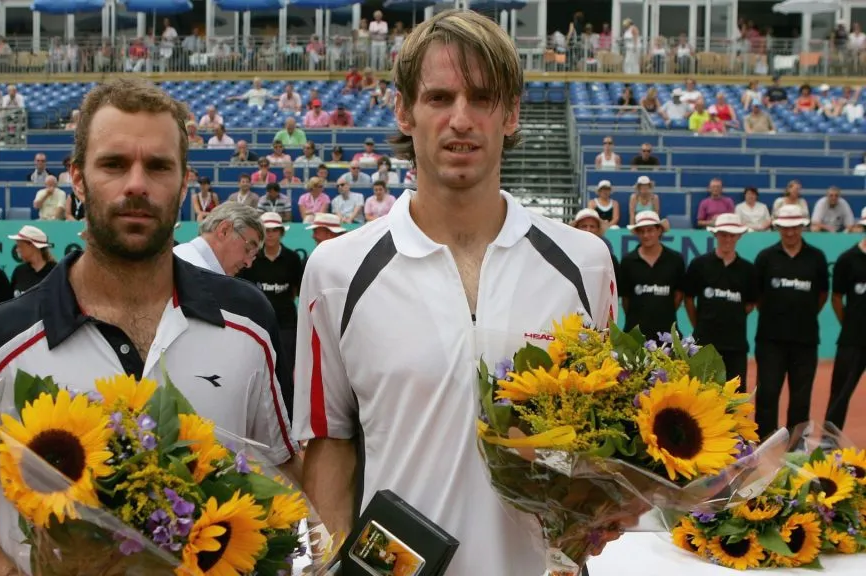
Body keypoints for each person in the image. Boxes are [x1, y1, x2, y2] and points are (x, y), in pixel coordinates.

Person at [0, 78, 298, 576]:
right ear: (76, 178)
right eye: (113, 164)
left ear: (184, 185)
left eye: (158, 166)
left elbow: (284, 468)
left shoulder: (250, 323)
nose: (136, 184)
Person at [292, 12, 618, 576]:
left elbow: (605, 441)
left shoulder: (583, 264)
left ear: (511, 114)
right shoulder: (337, 270)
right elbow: (330, 445)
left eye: (483, 98)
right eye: (439, 97)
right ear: (404, 111)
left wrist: (611, 504)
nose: (460, 120)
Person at [753, 205, 829, 436]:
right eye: (785, 228)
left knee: (800, 398)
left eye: (794, 227)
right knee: (767, 395)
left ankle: (796, 447)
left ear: (802, 227)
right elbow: (757, 296)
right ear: (777, 228)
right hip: (770, 340)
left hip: (805, 340)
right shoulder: (765, 257)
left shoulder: (816, 257)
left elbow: (822, 295)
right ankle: (765, 444)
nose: (790, 233)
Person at [238, 211, 304, 418]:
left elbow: (296, 289)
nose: (271, 234)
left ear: (282, 233)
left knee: (284, 370)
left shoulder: (293, 259)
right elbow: (243, 288)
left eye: (275, 229)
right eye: (267, 230)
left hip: (286, 322)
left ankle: (287, 416)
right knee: (254, 368)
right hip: (256, 323)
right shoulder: (252, 258)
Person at [683, 214, 758, 392]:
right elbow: (688, 299)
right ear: (715, 235)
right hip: (704, 343)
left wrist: (732, 316)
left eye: (732, 235)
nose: (727, 239)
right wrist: (700, 323)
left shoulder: (748, 270)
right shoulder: (699, 264)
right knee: (701, 394)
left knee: (735, 398)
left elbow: (750, 304)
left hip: (736, 345)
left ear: (739, 236)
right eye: (723, 234)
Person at [825, 208, 866, 430]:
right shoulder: (847, 260)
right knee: (840, 393)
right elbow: (837, 298)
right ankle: (829, 441)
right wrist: (850, 324)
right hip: (853, 339)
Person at [619, 211, 685, 342]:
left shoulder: (675, 260)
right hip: (635, 334)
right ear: (637, 233)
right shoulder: (627, 261)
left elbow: (679, 295)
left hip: (667, 334)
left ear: (659, 230)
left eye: (650, 230)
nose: (646, 235)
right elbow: (625, 299)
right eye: (641, 231)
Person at [172, 202, 265, 276]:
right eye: (248, 249)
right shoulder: (199, 278)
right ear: (224, 230)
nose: (248, 263)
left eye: (253, 255)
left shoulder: (177, 257)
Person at [8, 225, 57, 297]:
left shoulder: (55, 271)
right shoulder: (19, 271)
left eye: (20, 246)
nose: (17, 250)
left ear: (32, 246)